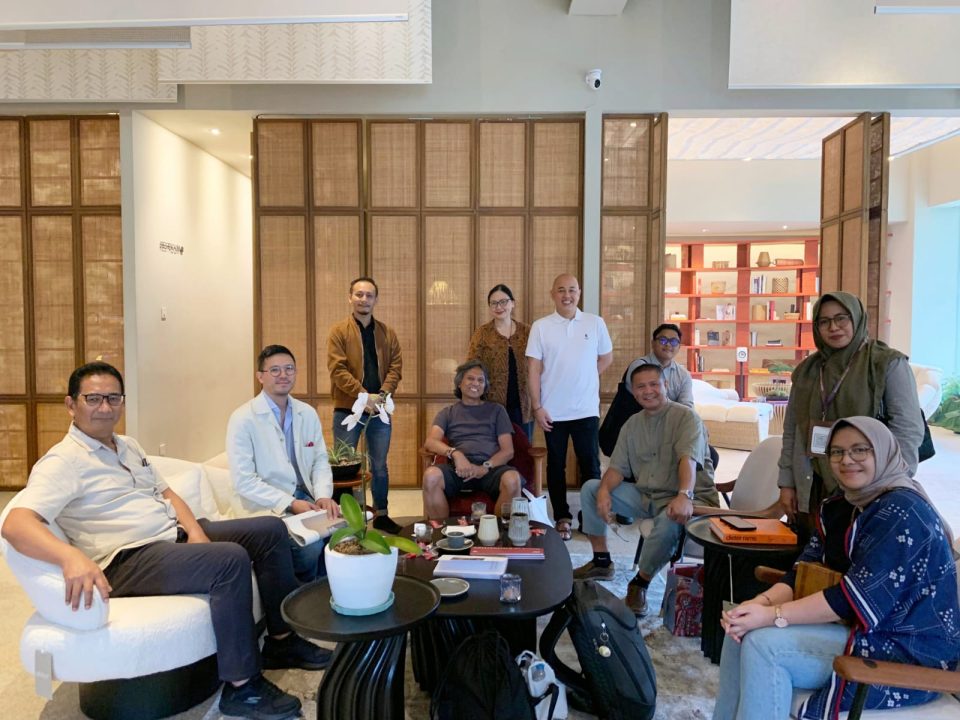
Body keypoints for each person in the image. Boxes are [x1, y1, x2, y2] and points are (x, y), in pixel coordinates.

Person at [0, 362, 331, 720]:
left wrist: (197, 533)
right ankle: (243, 688)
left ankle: (281, 642)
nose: (105, 407)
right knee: (229, 559)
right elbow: (16, 524)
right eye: (93, 399)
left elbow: (168, 493)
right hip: (128, 558)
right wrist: (69, 557)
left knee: (269, 530)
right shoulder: (63, 461)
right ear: (71, 404)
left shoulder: (127, 446)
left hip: (169, 537)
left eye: (113, 398)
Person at [714, 416, 959, 720]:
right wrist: (759, 603)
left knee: (765, 645)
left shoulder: (902, 511)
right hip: (857, 628)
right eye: (837, 452)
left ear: (883, 452)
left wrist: (771, 615)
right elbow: (803, 570)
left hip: (904, 648)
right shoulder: (841, 504)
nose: (847, 460)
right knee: (739, 631)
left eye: (860, 450)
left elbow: (851, 599)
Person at [573, 364, 719, 616]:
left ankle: (640, 582)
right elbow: (617, 468)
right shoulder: (632, 424)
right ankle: (601, 561)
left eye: (654, 384)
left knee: (670, 519)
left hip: (687, 498)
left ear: (666, 385)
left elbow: (688, 460)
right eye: (641, 386)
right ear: (633, 391)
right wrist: (604, 491)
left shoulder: (686, 417)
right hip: (648, 496)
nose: (648, 391)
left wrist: (684, 495)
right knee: (591, 488)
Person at [777, 292, 924, 538]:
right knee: (815, 552)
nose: (833, 327)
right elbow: (792, 430)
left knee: (862, 551)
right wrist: (787, 483)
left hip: (870, 486)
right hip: (813, 483)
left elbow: (908, 430)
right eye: (824, 321)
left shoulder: (886, 364)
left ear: (857, 318)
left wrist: (892, 486)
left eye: (841, 318)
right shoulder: (807, 371)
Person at [226, 344, 339, 583]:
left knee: (344, 531)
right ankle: (304, 595)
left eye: (289, 369)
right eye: (275, 370)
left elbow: (319, 460)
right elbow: (244, 481)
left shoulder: (306, 413)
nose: (283, 375)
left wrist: (323, 495)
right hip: (266, 505)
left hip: (306, 497)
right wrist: (290, 503)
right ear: (260, 376)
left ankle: (325, 589)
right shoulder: (242, 419)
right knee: (308, 548)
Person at [526, 273, 613, 541]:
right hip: (552, 411)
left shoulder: (595, 323)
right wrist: (537, 407)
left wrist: (586, 376)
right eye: (561, 290)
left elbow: (606, 357)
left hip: (586, 410)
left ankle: (590, 518)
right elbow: (533, 369)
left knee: (591, 466)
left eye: (572, 290)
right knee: (556, 466)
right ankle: (562, 517)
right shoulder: (541, 327)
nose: (567, 295)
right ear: (553, 294)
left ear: (579, 293)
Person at [328, 277, 403, 534]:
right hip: (347, 408)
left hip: (379, 409)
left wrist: (380, 395)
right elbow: (337, 370)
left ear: (375, 300)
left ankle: (381, 514)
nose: (364, 299)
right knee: (345, 465)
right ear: (350, 298)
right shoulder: (339, 332)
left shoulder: (387, 333)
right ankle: (347, 519)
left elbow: (395, 368)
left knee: (379, 465)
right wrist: (363, 396)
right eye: (358, 294)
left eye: (369, 295)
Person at [421, 360, 523, 520]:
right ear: (459, 383)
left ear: (485, 386)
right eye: (470, 378)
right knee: (431, 476)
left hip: (491, 469)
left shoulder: (497, 410)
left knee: (512, 479)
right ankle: (439, 530)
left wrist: (485, 467)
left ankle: (499, 532)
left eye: (480, 380)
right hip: (458, 469)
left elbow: (508, 451)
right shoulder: (447, 413)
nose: (475, 383)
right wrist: (456, 454)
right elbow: (431, 442)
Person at [467, 284, 533, 439]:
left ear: (512, 303)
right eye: (494, 303)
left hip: (523, 405)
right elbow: (471, 367)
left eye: (503, 302)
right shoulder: (482, 333)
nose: (499, 307)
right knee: (494, 447)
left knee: (522, 447)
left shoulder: (527, 332)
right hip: (491, 405)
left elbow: (538, 366)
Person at [624, 323, 694, 407]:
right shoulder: (639, 367)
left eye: (673, 341)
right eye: (663, 340)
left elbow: (687, 405)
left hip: (673, 415)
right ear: (653, 343)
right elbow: (645, 400)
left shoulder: (683, 374)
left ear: (679, 347)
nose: (668, 344)